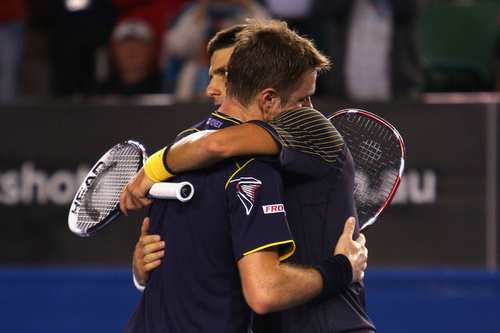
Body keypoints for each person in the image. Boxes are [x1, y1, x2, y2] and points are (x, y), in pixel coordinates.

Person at [122, 20, 375, 332]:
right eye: (302, 99)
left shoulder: (185, 148)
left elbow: (214, 144)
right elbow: (263, 291)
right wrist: (343, 268)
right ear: (267, 99)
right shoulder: (247, 165)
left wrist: (152, 169)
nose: (311, 110)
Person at [161, 0, 269, 101]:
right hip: (198, 70)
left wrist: (245, 5)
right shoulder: (196, 12)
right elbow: (175, 46)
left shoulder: (249, 10)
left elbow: (268, 42)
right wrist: (200, 16)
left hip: (240, 73)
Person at [92, 19, 162, 95]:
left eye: (139, 43)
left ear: (151, 49)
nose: (132, 50)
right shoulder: (99, 94)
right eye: (125, 44)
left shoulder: (167, 90)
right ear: (113, 50)